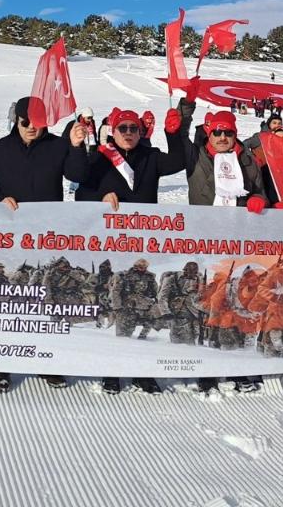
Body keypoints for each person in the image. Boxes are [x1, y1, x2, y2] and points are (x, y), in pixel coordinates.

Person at [66, 106, 185, 394]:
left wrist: (174, 133)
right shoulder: (100, 158)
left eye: (134, 128)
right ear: (114, 131)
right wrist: (99, 194)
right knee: (117, 312)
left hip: (143, 243)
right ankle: (111, 370)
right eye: (123, 128)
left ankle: (142, 371)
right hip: (112, 245)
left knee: (142, 313)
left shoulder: (151, 157)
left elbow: (179, 161)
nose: (129, 133)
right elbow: (79, 189)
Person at [0, 96, 86, 392]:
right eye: (25, 122)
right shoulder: (0, 148)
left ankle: (44, 361)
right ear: (17, 120)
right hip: (9, 238)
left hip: (46, 239)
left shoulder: (57, 146)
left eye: (38, 124)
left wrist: (76, 146)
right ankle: (2, 365)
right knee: (9, 300)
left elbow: (78, 175)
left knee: (44, 301)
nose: (31, 128)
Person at [176, 101, 268, 393]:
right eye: (217, 132)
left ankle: (235, 365)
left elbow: (260, 192)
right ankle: (206, 366)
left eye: (228, 132)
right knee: (207, 303)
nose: (223, 137)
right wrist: (185, 107)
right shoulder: (196, 156)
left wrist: (257, 201)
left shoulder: (247, 161)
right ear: (209, 133)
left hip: (239, 242)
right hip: (205, 240)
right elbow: (178, 133)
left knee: (236, 304)